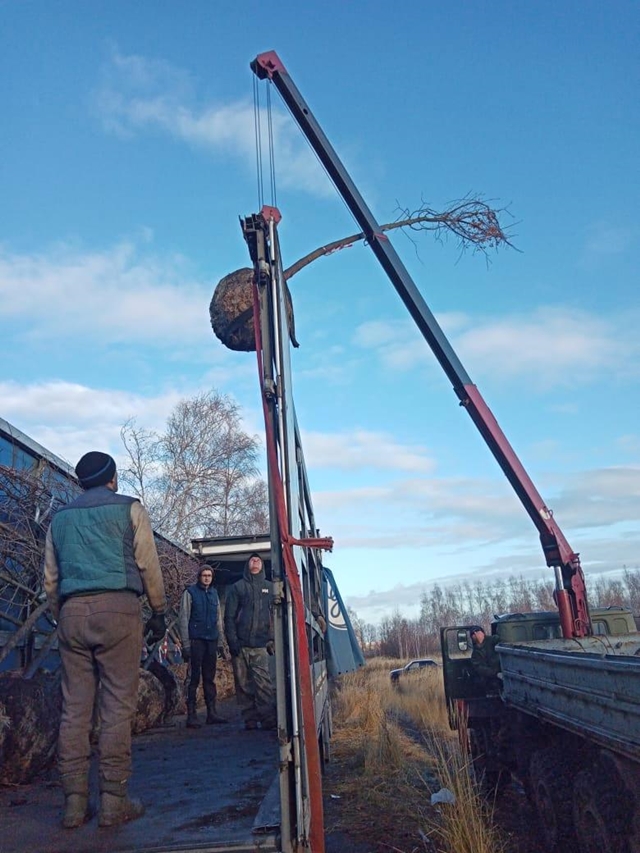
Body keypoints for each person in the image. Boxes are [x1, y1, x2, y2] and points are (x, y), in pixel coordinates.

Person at [44, 451, 167, 829]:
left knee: (75, 709)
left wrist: (61, 613)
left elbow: (50, 578)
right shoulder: (130, 509)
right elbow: (147, 562)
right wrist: (159, 610)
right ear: (113, 478)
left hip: (71, 614)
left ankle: (74, 804)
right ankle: (113, 801)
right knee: (116, 708)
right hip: (119, 611)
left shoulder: (59, 519)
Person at [224, 553, 276, 730]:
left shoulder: (270, 588)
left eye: (258, 561)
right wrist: (232, 642)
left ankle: (268, 718)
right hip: (241, 644)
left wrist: (272, 639)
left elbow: (276, 616)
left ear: (262, 565)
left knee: (264, 683)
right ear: (247, 565)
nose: (255, 563)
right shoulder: (238, 588)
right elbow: (229, 617)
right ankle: (250, 719)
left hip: (261, 645)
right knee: (244, 684)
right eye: (252, 560)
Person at [178, 565, 227, 728]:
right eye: (204, 575)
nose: (207, 578)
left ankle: (211, 712)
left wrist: (220, 642)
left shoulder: (214, 594)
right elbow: (183, 618)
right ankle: (191, 714)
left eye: (209, 575)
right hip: (195, 640)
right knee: (193, 678)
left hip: (211, 640)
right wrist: (185, 644)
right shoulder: (190, 593)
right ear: (199, 577)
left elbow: (218, 620)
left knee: (209, 677)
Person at [469, 625, 502, 691]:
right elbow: (479, 668)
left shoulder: (492, 640)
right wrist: (496, 673)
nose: (476, 635)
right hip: (489, 681)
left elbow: (502, 640)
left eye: (478, 632)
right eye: (473, 634)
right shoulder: (475, 653)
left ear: (483, 633)